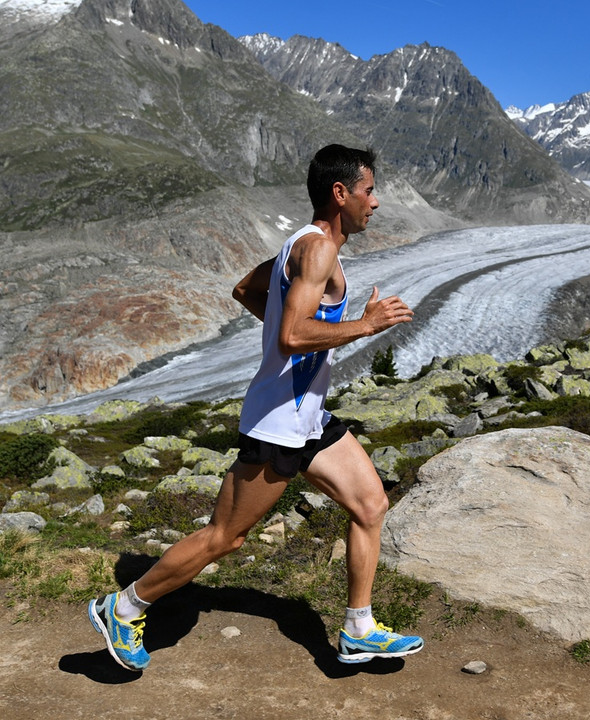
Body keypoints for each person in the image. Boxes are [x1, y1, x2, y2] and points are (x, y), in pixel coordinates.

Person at [87, 144, 422, 670]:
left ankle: (359, 627)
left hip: (307, 417)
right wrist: (366, 324)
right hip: (279, 423)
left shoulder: (301, 245)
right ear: (341, 194)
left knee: (370, 505)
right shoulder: (318, 251)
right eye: (369, 191)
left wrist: (294, 330)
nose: (375, 203)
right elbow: (291, 334)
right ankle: (124, 607)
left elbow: (246, 288)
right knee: (227, 536)